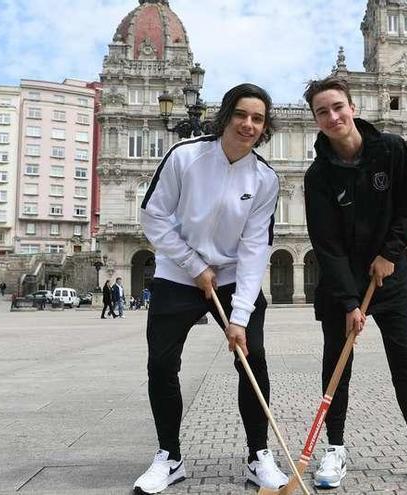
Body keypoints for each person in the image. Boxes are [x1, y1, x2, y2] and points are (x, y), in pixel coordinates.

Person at [302, 76, 407, 489]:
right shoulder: (317, 175)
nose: (333, 116)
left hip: (388, 277)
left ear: (352, 107)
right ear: (316, 120)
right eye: (323, 111)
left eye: (338, 106)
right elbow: (326, 244)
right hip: (341, 283)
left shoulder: (390, 149)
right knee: (337, 364)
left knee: (403, 363)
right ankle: (335, 449)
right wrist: (350, 301)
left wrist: (390, 254)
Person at [134, 83, 288, 494]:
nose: (248, 124)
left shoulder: (265, 178)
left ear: (265, 126)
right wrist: (193, 265)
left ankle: (259, 457)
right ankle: (170, 456)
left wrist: (239, 317)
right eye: (241, 114)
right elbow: (153, 216)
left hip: (236, 275)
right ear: (225, 115)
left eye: (257, 118)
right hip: (177, 274)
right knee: (162, 365)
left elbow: (256, 248)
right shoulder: (185, 156)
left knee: (252, 361)